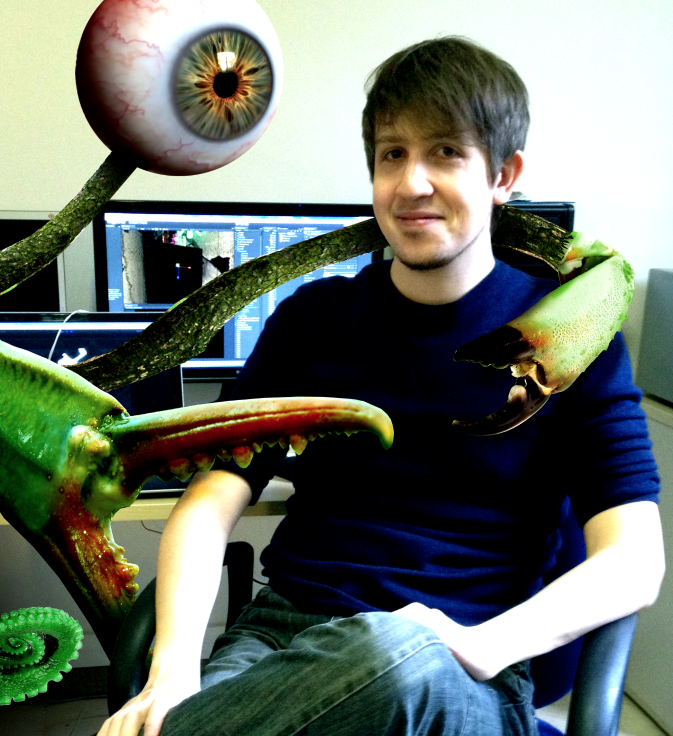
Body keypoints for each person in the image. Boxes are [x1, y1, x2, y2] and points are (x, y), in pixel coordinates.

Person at [99, 37, 664, 736]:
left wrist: (487, 645)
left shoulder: (570, 340)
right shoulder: (312, 322)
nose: (411, 182)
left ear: (504, 175)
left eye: (446, 153)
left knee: (399, 651)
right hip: (285, 639)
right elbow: (210, 502)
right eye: (392, 154)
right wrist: (173, 670)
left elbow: (635, 561)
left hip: (463, 666)